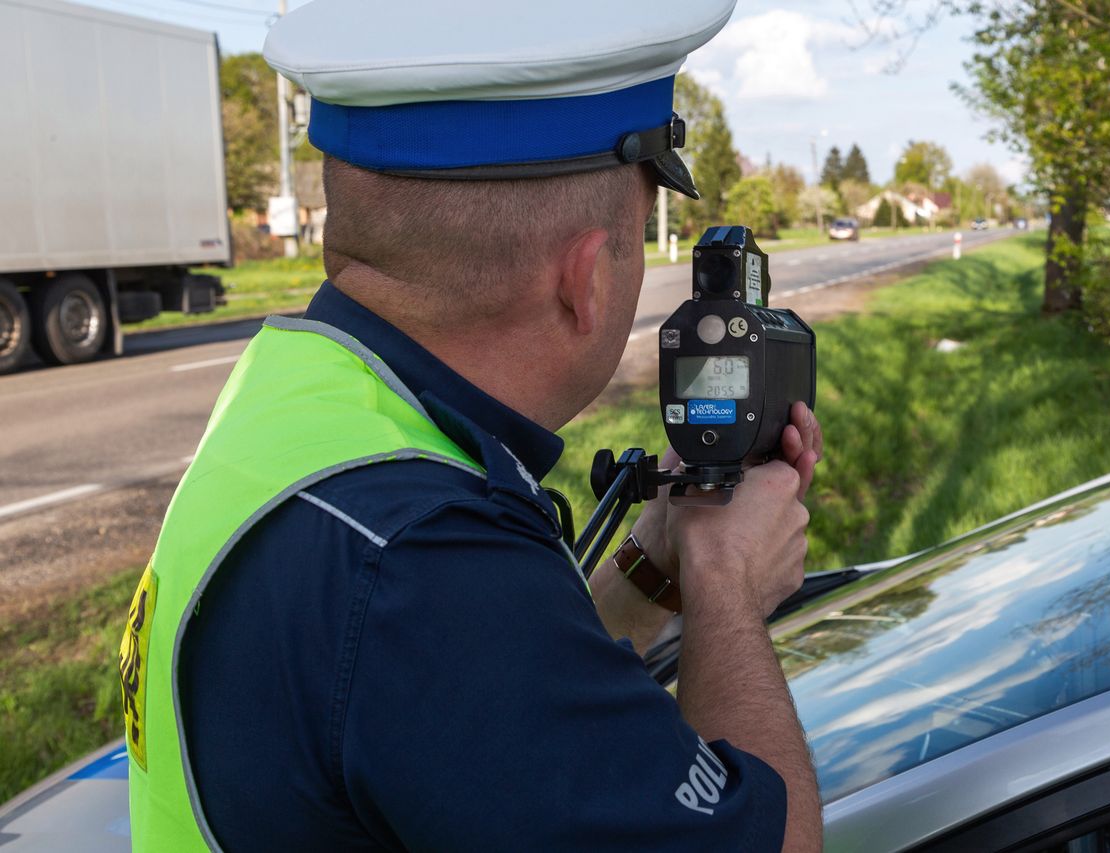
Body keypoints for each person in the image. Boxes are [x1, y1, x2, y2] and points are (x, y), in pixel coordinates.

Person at [117, 1, 824, 849]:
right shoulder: (425, 561)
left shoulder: (308, 401)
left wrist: (658, 556)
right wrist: (726, 579)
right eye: (636, 237)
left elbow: (495, 719)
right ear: (589, 276)